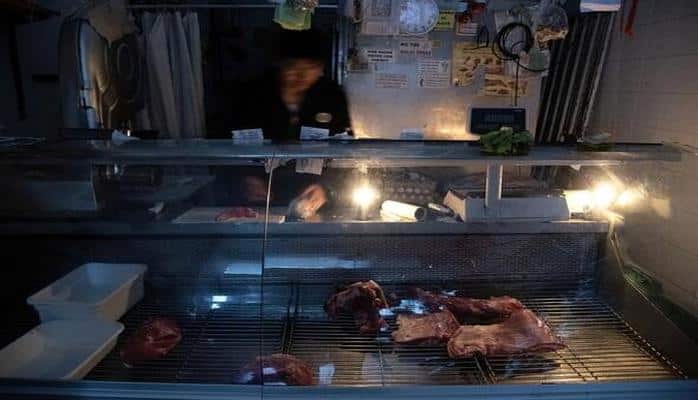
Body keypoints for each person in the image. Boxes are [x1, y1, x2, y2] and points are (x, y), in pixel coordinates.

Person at [229, 29, 352, 217]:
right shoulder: (252, 95)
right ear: (279, 64)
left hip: (313, 204)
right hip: (258, 205)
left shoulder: (331, 96)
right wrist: (248, 179)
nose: (301, 76)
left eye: (310, 68)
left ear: (320, 68)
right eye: (293, 68)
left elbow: (345, 150)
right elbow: (228, 148)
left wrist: (326, 188)